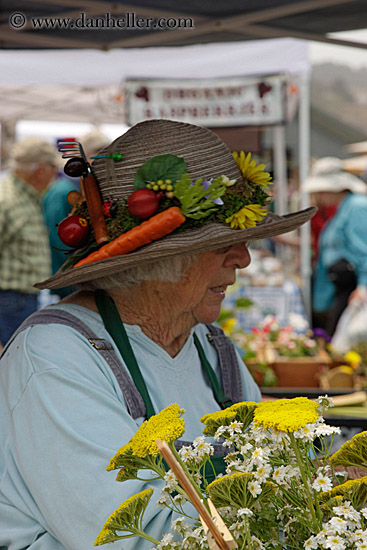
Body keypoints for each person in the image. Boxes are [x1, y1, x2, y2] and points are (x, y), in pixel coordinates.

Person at [0, 119, 315, 550]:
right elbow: (125, 537)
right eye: (222, 244)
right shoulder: (55, 355)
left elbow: (276, 471)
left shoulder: (209, 346)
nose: (242, 259)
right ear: (158, 261)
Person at [0, 136, 58, 347]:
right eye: (53, 168)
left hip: (19, 300)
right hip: (9, 301)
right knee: (11, 364)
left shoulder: (25, 197)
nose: (55, 175)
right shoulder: (7, 201)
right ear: (41, 169)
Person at [303, 156, 367, 336]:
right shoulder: (345, 207)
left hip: (350, 286)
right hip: (339, 286)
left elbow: (364, 250)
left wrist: (364, 287)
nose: (319, 196)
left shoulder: (357, 206)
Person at [42, 130, 110, 298]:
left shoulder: (87, 188)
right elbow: (59, 239)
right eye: (99, 155)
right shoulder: (63, 191)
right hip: (70, 281)